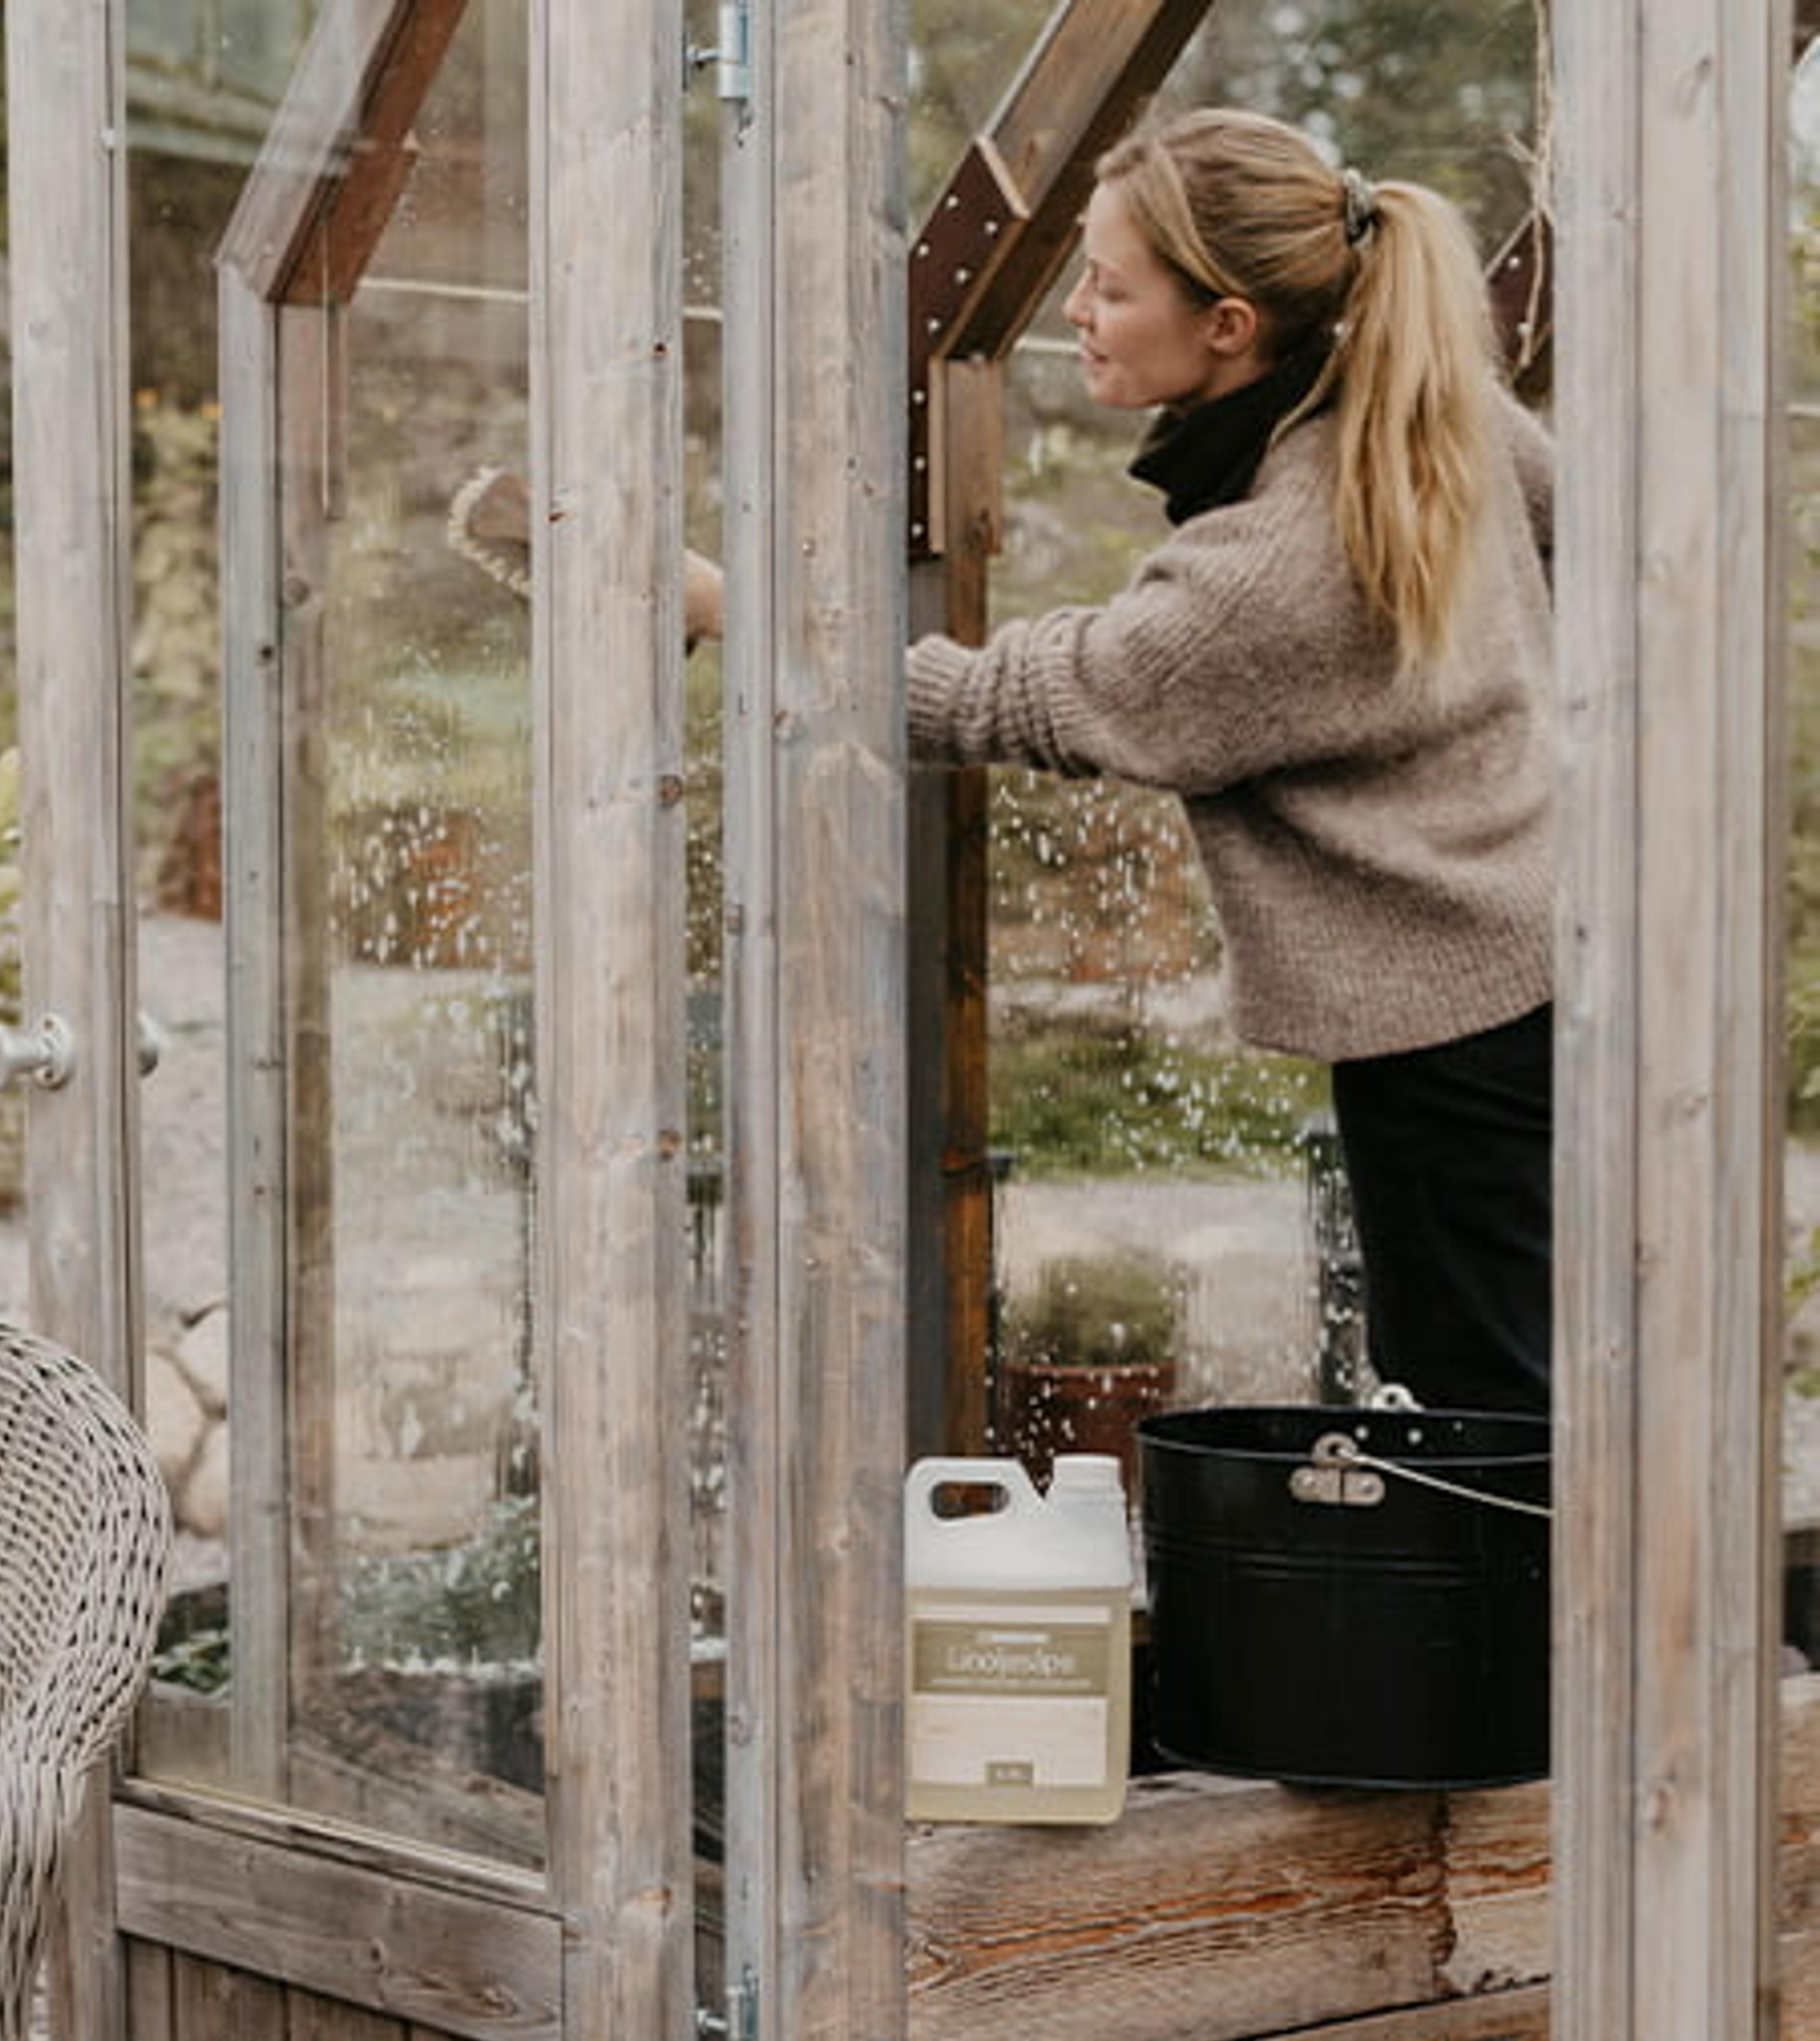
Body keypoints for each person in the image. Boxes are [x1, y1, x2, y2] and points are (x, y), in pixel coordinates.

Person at [457, 106, 1556, 1416]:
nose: (1078, 311)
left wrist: (710, 604)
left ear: (1228, 326)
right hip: (1536, 954)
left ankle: (1535, 1626)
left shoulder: (1276, 562)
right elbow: (1581, 547)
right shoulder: (1434, 417)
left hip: (1449, 1029)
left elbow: (1000, 699)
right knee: (1525, 1377)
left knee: (1485, 1409)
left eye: (1110, 284)